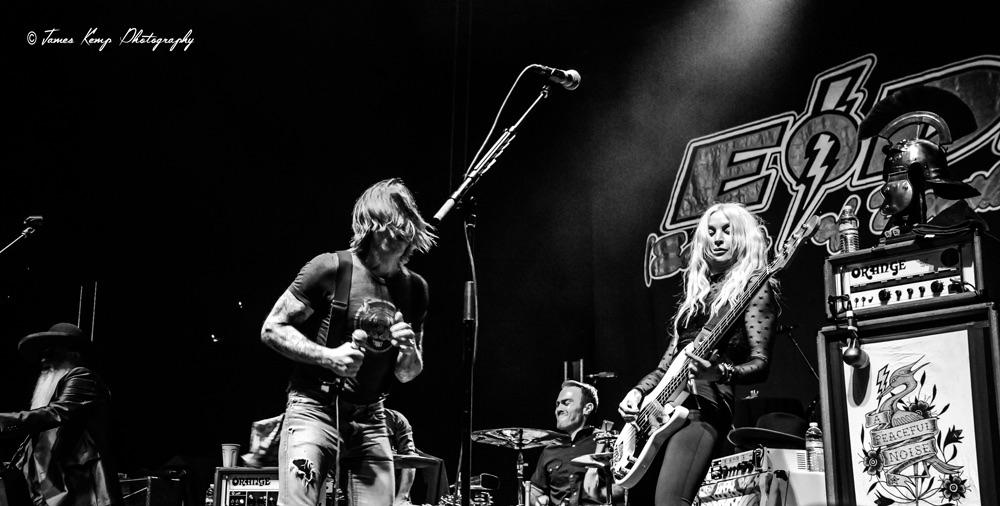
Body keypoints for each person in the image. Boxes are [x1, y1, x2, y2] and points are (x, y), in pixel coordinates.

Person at [261, 178, 436, 506]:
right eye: (391, 226)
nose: (397, 236)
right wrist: (328, 357)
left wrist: (409, 351)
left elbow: (407, 374)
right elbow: (272, 328)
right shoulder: (330, 267)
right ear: (372, 226)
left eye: (404, 226)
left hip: (371, 415)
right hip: (313, 409)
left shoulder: (416, 289)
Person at [618, 202, 778, 506]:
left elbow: (761, 363)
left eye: (727, 231)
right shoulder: (693, 302)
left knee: (670, 501)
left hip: (705, 405)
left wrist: (721, 373)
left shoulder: (755, 289)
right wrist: (638, 392)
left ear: (744, 236)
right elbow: (667, 367)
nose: (718, 238)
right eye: (711, 232)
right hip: (661, 411)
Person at [0, 322, 123, 506]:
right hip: (48, 493)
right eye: (42, 356)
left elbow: (57, 413)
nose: (43, 361)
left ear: (74, 355)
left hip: (78, 493)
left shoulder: (83, 377)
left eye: (50, 354)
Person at [529, 380, 624, 506]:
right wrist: (538, 500)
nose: (559, 409)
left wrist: (599, 494)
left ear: (587, 408)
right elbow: (535, 490)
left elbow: (627, 486)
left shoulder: (606, 441)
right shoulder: (550, 450)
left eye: (566, 403)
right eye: (557, 404)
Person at [384, 408, 417, 506]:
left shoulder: (396, 419)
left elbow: (410, 460)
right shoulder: (343, 416)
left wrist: (402, 497)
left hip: (389, 486)